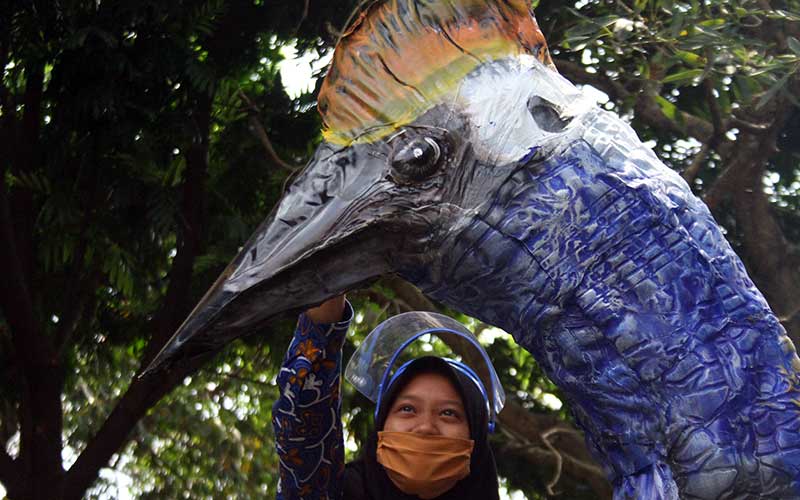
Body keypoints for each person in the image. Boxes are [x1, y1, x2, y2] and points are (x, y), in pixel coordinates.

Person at [272, 295, 502, 500]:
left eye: (448, 413)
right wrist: (329, 285)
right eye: (408, 409)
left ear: (477, 437)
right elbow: (304, 413)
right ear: (382, 423)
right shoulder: (333, 492)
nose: (425, 427)